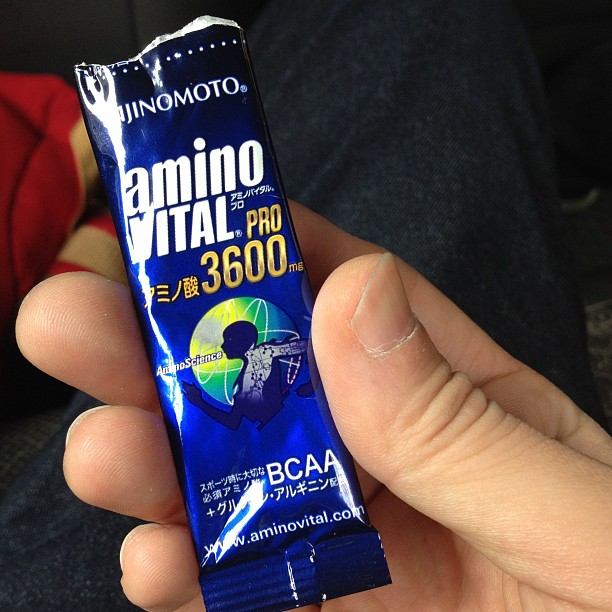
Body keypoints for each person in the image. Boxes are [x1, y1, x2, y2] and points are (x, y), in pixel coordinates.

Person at [3, 0, 612, 609]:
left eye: (237, 338)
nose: (236, 339)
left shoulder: (262, 355)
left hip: (348, 472)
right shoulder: (254, 362)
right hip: (277, 442)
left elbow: (259, 390)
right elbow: (246, 401)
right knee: (442, 17)